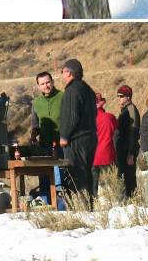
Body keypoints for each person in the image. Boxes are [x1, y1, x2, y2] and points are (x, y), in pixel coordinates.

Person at [59, 59, 97, 202]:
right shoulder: (88, 90)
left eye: (62, 72)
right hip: (90, 137)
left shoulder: (71, 90)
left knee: (76, 174)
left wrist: (64, 135)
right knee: (87, 173)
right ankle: (90, 205)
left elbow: (72, 116)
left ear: (68, 72)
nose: (62, 75)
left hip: (76, 139)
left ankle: (82, 207)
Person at [30, 71, 64, 199]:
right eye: (42, 84)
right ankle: (47, 205)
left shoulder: (63, 97)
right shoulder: (36, 103)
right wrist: (33, 136)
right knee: (44, 179)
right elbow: (35, 125)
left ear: (52, 82)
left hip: (63, 146)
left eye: (48, 82)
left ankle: (65, 206)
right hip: (44, 147)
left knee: (63, 179)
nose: (46, 86)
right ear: (39, 86)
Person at [114, 84, 140, 198]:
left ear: (128, 97)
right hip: (123, 149)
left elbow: (133, 134)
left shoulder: (131, 110)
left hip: (128, 150)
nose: (119, 98)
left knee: (129, 178)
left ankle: (131, 201)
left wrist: (130, 153)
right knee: (123, 176)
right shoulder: (125, 110)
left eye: (121, 96)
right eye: (118, 96)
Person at [91, 93, 117, 196]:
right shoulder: (110, 117)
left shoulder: (86, 120)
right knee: (111, 183)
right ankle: (114, 204)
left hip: (92, 155)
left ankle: (91, 206)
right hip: (107, 154)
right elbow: (116, 130)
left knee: (93, 184)